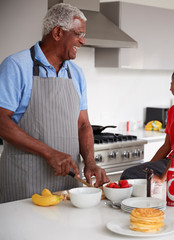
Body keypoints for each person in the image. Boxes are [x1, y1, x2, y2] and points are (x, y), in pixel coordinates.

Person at [0, 3, 109, 203]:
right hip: (25, 183)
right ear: (58, 32)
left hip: (69, 186)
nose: (82, 41)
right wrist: (49, 152)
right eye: (78, 34)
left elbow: (83, 124)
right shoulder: (16, 66)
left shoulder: (76, 74)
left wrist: (90, 162)